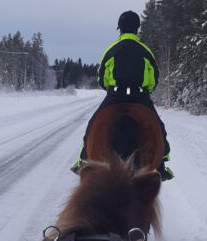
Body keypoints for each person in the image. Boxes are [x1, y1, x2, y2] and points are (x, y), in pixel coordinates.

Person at [71, 10, 173, 180]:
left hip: (115, 96)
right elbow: (153, 77)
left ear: (120, 28)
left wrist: (111, 87)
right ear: (137, 29)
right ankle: (161, 165)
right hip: (140, 97)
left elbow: (102, 77)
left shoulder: (111, 50)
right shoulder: (145, 50)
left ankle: (84, 160)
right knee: (159, 128)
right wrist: (145, 89)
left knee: (93, 124)